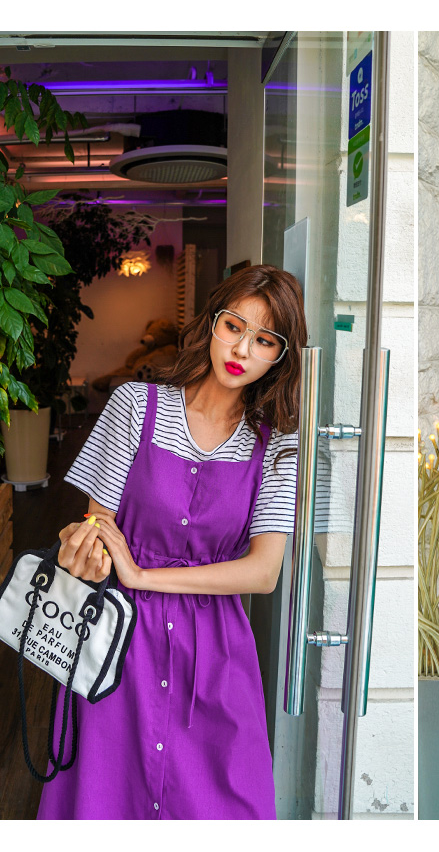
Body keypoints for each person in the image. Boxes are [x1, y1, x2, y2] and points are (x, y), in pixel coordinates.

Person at [42, 264, 304, 820]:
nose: (242, 350)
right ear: (212, 323)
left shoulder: (279, 444)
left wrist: (144, 575)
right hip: (119, 642)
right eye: (234, 327)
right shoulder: (134, 407)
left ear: (280, 357)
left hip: (217, 654)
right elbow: (99, 531)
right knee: (106, 801)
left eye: (264, 341)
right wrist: (84, 550)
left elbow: (263, 573)